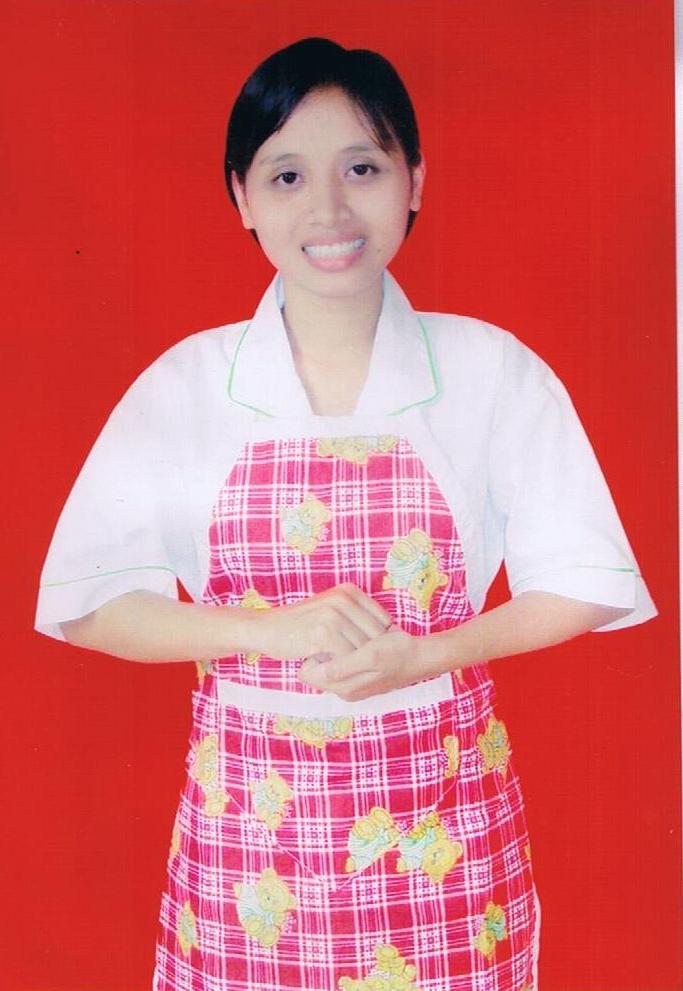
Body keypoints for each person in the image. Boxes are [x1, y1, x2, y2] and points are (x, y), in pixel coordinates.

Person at [35, 36, 656, 991]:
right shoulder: (186, 385)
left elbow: (584, 580)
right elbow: (90, 602)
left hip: (438, 834)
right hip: (253, 848)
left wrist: (428, 653)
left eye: (361, 168)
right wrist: (264, 629)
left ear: (413, 179)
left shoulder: (490, 370)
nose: (328, 210)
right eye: (287, 176)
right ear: (242, 196)